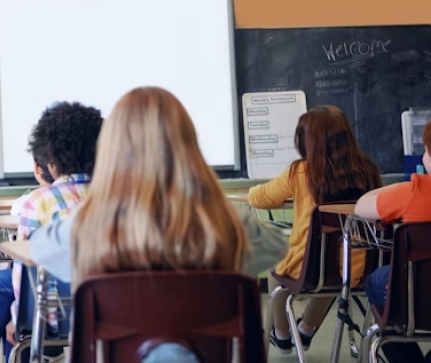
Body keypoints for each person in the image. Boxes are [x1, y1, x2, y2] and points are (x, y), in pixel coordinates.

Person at [29, 87, 288, 363]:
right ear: (187, 145)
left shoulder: (86, 226)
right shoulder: (231, 221)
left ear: (110, 150)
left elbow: (40, 247)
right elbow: (277, 247)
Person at [0, 101, 104, 363]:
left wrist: (18, 320)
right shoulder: (118, 197)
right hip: (110, 311)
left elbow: (25, 272)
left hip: (57, 315)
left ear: (49, 160)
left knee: (3, 284)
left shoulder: (39, 202)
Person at [248, 105, 380, 355]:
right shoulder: (368, 170)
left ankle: (283, 336)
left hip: (310, 267)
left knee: (279, 265)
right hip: (358, 270)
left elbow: (259, 198)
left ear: (308, 140)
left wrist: (252, 191)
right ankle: (306, 330)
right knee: (334, 268)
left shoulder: (300, 172)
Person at [354, 120, 431, 363]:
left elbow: (361, 207)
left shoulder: (414, 191)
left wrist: (403, 185)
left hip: (419, 296)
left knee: (377, 281)